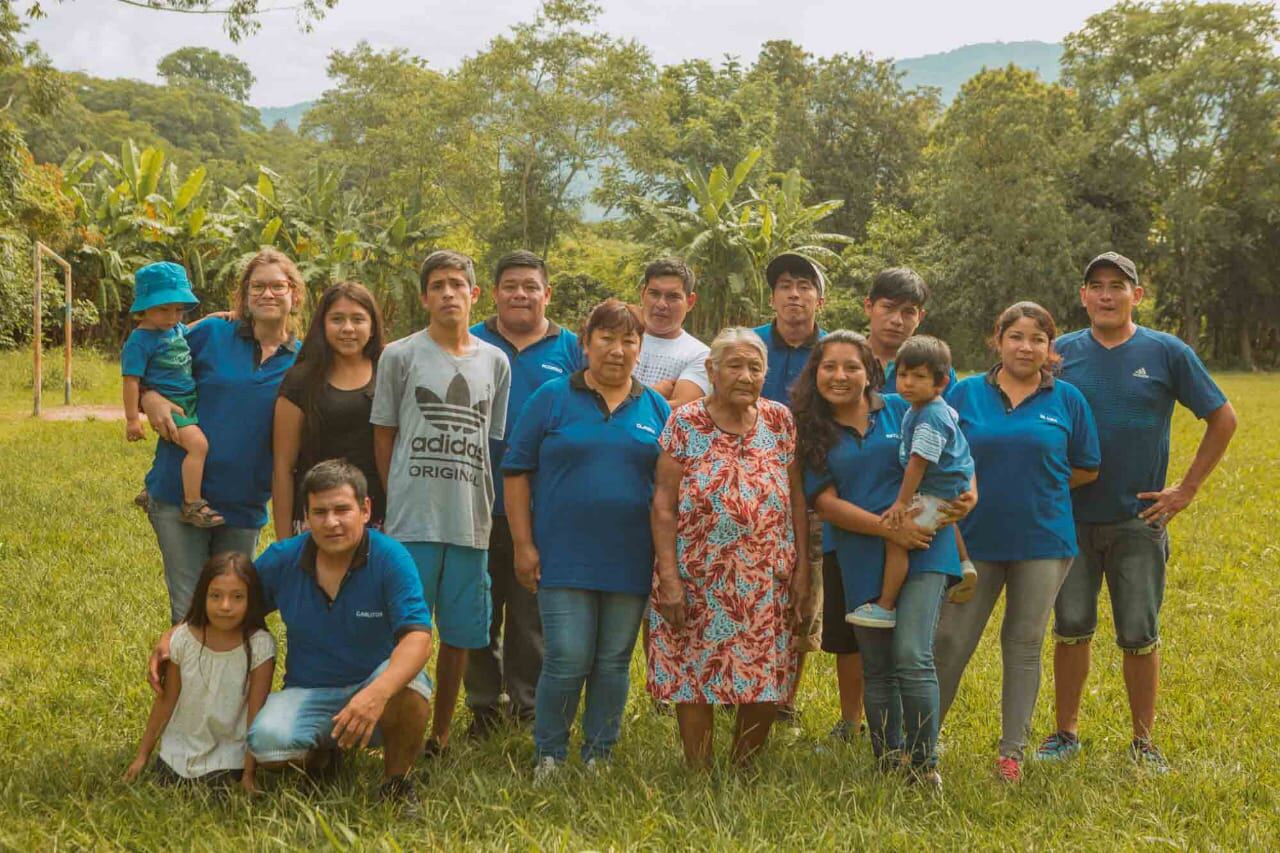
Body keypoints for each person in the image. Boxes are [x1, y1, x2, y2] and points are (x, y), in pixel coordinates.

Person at [1038, 252, 1236, 771]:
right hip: (1071, 518)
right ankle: (1065, 733)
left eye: (1117, 286)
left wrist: (1186, 490)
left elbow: (1223, 417)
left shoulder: (1166, 352)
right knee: (1071, 626)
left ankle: (1144, 742)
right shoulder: (1057, 355)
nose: (1106, 295)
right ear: (1083, 296)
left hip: (1139, 519)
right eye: (1096, 286)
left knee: (1138, 633)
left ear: (1137, 296)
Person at [934, 302, 1100, 783]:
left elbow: (1088, 466)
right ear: (998, 339)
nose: (1026, 347)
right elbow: (939, 457)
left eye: (1037, 339)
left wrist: (1037, 486)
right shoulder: (964, 394)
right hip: (972, 542)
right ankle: (923, 743)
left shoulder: (1067, 399)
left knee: (1024, 644)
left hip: (1044, 540)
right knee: (950, 641)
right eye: (1016, 337)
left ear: (1050, 348)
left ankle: (1012, 753)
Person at [503, 300, 669, 778]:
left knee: (613, 661)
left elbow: (667, 488)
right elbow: (516, 471)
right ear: (585, 342)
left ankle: (599, 753)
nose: (617, 350)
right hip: (563, 554)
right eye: (607, 338)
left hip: (629, 558)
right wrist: (523, 544)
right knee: (568, 656)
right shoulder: (552, 397)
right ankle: (550, 754)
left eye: (629, 340)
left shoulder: (655, 407)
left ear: (640, 349)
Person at [799, 331, 973, 788]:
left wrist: (970, 492)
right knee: (876, 665)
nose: (840, 376)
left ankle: (924, 762)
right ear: (815, 373)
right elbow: (825, 503)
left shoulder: (906, 407)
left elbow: (958, 452)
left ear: (870, 371)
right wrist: (885, 528)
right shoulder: (811, 430)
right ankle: (887, 757)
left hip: (924, 545)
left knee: (913, 655)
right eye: (829, 366)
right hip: (857, 552)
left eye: (851, 366)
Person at [648, 327, 812, 769]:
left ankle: (743, 768)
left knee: (765, 675)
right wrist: (668, 577)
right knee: (693, 671)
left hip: (765, 576)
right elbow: (663, 505)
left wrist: (802, 571)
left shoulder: (779, 421)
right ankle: (699, 770)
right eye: (734, 365)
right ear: (711, 370)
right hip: (697, 574)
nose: (745, 375)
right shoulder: (685, 422)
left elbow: (796, 498)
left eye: (754, 367)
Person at [371, 249, 511, 757]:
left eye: (458, 284)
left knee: (460, 633)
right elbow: (384, 433)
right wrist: (396, 494)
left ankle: (441, 732)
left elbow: (488, 441)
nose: (449, 293)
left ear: (474, 295)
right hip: (412, 521)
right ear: (424, 296)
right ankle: (393, 722)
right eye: (438, 285)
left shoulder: (496, 362)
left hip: (471, 522)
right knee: (406, 627)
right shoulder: (400, 355)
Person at [140, 248, 303, 623]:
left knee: (233, 616)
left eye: (278, 286)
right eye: (257, 286)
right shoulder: (213, 333)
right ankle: (181, 683)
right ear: (244, 295)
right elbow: (146, 355)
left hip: (244, 507)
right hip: (179, 499)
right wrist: (149, 398)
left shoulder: (304, 361)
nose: (267, 294)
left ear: (294, 294)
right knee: (189, 613)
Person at [465, 251, 582, 738]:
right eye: (510, 285)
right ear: (494, 293)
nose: (520, 294)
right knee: (477, 610)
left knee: (531, 614)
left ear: (546, 294)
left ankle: (528, 705)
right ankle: (484, 706)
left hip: (542, 509)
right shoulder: (469, 340)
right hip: (472, 502)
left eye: (530, 286)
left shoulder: (570, 348)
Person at [849, 335, 975, 628]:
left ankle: (886, 605)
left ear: (941, 382)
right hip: (948, 487)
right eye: (903, 375)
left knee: (897, 538)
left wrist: (902, 503)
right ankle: (965, 562)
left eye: (919, 377)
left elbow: (918, 463)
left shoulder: (929, 416)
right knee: (942, 518)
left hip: (937, 492)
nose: (907, 383)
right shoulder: (928, 407)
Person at [752, 252, 828, 725]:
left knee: (804, 593)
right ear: (773, 296)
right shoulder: (750, 344)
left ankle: (783, 698)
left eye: (804, 285)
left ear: (821, 299)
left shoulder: (835, 351)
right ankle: (738, 685)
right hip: (749, 492)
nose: (794, 294)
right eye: (785, 285)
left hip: (814, 492)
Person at [125, 553, 275, 792]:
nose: (225, 606)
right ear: (202, 596)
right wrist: (142, 756)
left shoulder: (260, 645)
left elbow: (255, 714)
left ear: (252, 599)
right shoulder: (184, 639)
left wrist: (248, 774)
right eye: (215, 596)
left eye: (237, 597)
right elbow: (167, 700)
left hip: (228, 755)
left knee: (215, 787)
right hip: (179, 751)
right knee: (170, 782)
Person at [273, 281, 387, 541]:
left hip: (377, 519)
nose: (348, 328)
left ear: (372, 327)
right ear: (323, 325)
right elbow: (282, 466)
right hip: (317, 517)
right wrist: (283, 544)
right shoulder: (300, 381)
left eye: (358, 319)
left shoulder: (389, 373)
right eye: (337, 319)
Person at [122, 262, 224, 527]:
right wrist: (133, 419)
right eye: (163, 309)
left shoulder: (174, 328)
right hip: (172, 405)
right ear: (144, 307)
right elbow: (131, 381)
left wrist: (215, 317)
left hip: (188, 400)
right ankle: (192, 504)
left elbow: (189, 329)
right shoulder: (139, 341)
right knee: (198, 446)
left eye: (178, 310)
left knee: (172, 446)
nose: (172, 316)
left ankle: (151, 490)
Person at [863, 267, 957, 394]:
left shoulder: (935, 367)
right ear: (869, 307)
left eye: (908, 312)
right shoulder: (843, 361)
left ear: (920, 317)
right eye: (888, 307)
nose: (897, 320)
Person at [633, 257, 711, 407]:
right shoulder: (617, 339)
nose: (661, 304)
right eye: (654, 294)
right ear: (643, 294)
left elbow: (681, 411)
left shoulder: (700, 355)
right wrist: (655, 393)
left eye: (673, 297)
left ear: (690, 302)